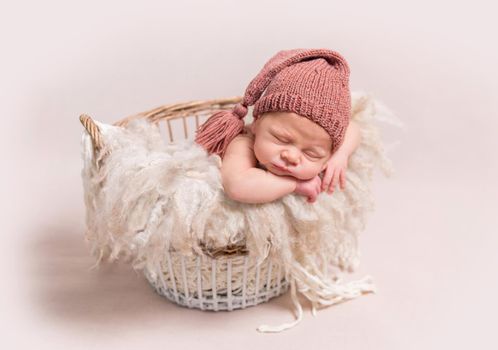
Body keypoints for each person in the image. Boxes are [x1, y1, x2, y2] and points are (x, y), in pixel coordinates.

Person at [195, 48, 361, 204]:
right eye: (281, 139)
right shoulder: (244, 144)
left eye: (312, 153)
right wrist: (294, 185)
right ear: (256, 123)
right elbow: (237, 186)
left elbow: (353, 128)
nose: (291, 156)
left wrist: (340, 155)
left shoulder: (327, 145)